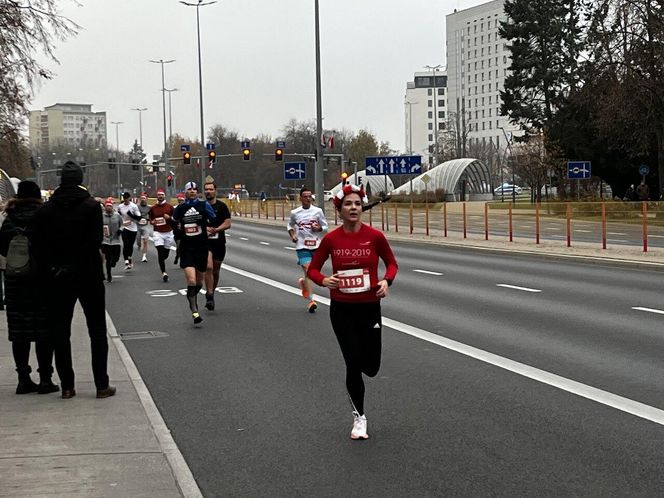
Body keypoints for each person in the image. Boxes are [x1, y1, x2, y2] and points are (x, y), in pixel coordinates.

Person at [307, 183, 398, 440]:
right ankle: (359, 418)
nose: (354, 207)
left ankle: (362, 394)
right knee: (352, 362)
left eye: (357, 203)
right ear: (340, 209)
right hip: (342, 309)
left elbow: (391, 263)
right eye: (348, 204)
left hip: (369, 308)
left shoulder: (375, 237)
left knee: (371, 366)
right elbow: (313, 269)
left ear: (362, 208)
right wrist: (324, 281)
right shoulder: (332, 239)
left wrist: (385, 281)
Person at [32, 161, 116, 399]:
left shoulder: (45, 211)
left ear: (60, 180)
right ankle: (101, 384)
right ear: (80, 179)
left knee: (61, 332)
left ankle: (67, 385)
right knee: (97, 330)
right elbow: (95, 240)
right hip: (88, 274)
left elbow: (37, 245)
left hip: (58, 277)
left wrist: (55, 266)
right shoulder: (91, 207)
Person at [0, 181, 58, 395]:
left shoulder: (9, 219)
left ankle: (23, 378)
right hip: (43, 280)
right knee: (45, 332)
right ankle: (45, 378)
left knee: (19, 333)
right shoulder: (45, 217)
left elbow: (3, 248)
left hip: (16, 281)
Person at [172, 182, 216, 324]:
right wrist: (178, 232)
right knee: (191, 280)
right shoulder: (180, 208)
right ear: (185, 192)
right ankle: (194, 310)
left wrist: (209, 226)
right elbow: (175, 222)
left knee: (198, 282)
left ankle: (192, 297)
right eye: (189, 189)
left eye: (194, 189)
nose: (192, 191)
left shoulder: (204, 205)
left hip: (201, 247)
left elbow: (213, 218)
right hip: (187, 248)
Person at [287, 186, 328, 313]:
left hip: (316, 245)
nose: (308, 199)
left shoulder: (318, 211)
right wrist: (293, 235)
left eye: (310, 196)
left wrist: (319, 228)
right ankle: (312, 301)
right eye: (305, 196)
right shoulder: (295, 213)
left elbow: (325, 226)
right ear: (300, 198)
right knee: (308, 270)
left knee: (313, 273)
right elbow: (290, 225)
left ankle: (304, 284)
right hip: (301, 246)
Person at [203, 179, 231, 311]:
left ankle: (212, 292)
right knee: (208, 267)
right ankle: (208, 295)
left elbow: (228, 223)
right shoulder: (201, 206)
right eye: (206, 189)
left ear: (215, 191)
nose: (208, 192)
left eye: (210, 189)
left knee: (216, 270)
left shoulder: (222, 206)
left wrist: (216, 229)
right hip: (205, 242)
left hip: (219, 242)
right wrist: (205, 229)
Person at [148, 188, 175, 282]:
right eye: (159, 195)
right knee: (160, 252)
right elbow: (150, 219)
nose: (160, 196)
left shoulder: (170, 207)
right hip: (158, 232)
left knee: (165, 254)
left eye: (162, 195)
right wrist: (152, 222)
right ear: (157, 196)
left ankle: (162, 260)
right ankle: (164, 273)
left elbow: (175, 219)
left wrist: (169, 217)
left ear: (164, 196)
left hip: (168, 232)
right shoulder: (153, 208)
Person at [117, 192, 142, 270]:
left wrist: (131, 215)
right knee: (126, 243)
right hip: (124, 227)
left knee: (130, 245)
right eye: (124, 198)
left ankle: (129, 257)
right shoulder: (120, 206)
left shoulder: (134, 206)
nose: (125, 200)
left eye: (127, 198)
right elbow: (118, 215)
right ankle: (126, 261)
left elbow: (139, 218)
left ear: (129, 198)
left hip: (133, 227)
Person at [101, 198, 123, 283]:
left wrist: (120, 230)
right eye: (107, 206)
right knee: (108, 258)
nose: (108, 208)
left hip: (116, 240)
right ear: (105, 207)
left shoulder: (117, 215)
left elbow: (122, 224)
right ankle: (109, 275)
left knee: (116, 257)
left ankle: (114, 262)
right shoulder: (102, 216)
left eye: (110, 206)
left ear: (112, 207)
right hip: (105, 241)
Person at [136, 193, 152, 262]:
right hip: (137, 226)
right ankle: (139, 245)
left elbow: (153, 215)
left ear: (146, 199)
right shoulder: (136, 207)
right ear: (140, 199)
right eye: (141, 198)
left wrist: (150, 219)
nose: (143, 200)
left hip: (145, 226)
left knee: (145, 241)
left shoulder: (149, 207)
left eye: (144, 198)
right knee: (138, 241)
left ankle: (144, 256)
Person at [173, 192, 185, 265]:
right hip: (178, 231)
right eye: (179, 201)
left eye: (182, 200)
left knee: (185, 247)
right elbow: (173, 218)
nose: (181, 202)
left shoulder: (188, 208)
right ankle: (178, 256)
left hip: (186, 231)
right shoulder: (175, 208)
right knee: (179, 246)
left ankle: (183, 260)